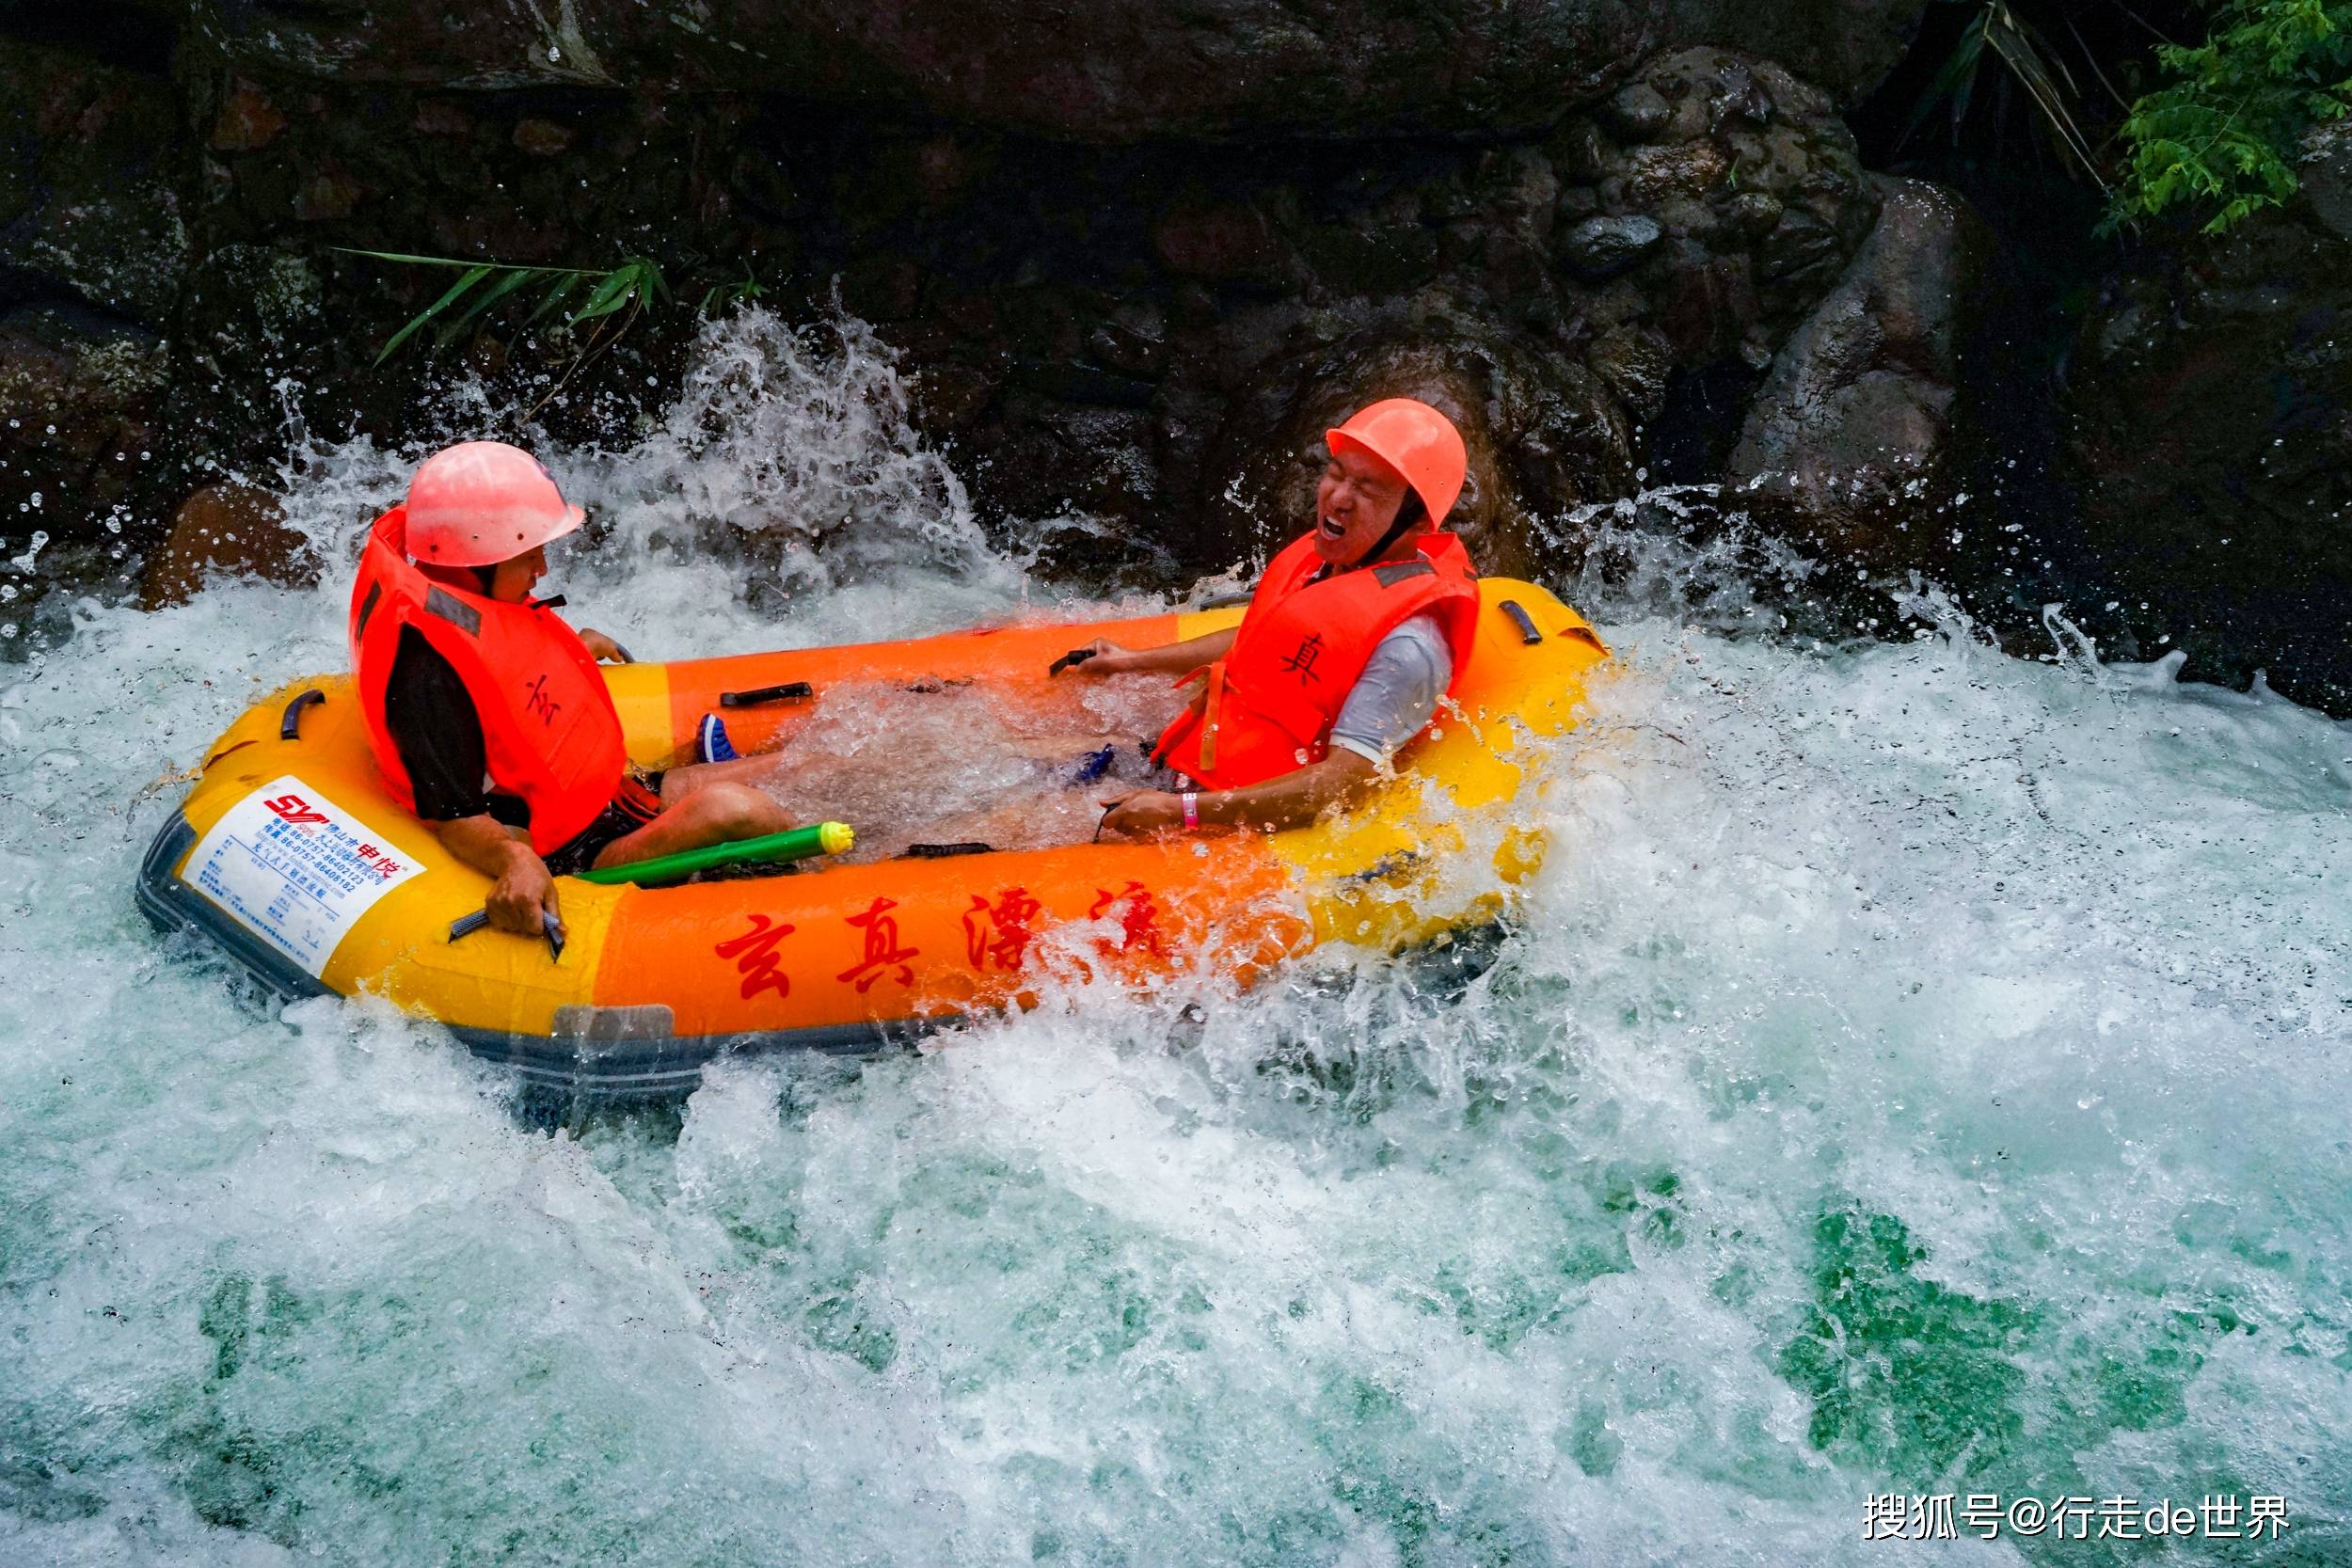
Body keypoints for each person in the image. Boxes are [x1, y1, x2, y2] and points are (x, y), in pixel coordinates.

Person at [348, 441, 795, 936]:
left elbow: (510, 674)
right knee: (733, 808)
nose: (541, 570)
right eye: (530, 555)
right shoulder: (425, 676)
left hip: (613, 801)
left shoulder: (468, 599)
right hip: (573, 853)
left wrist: (573, 651)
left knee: (808, 767)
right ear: (478, 558)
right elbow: (457, 818)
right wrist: (514, 860)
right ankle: (825, 885)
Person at [1069, 397, 1481, 838]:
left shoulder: (1410, 647)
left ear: (1417, 522)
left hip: (1232, 824)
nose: (1338, 498)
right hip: (1190, 767)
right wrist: (1132, 659)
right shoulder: (1331, 561)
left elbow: (1340, 788)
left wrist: (1181, 811)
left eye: (1368, 490)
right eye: (1336, 473)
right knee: (1029, 763)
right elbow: (1261, 640)